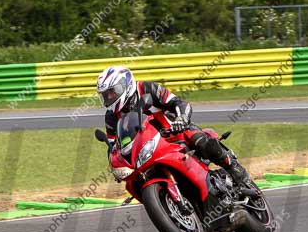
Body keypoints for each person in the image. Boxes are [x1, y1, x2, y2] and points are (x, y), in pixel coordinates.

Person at [97, 66, 253, 187]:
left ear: (125, 84)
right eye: (105, 95)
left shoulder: (147, 89)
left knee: (201, 142)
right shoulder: (111, 117)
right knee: (135, 182)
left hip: (175, 132)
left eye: (112, 92)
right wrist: (116, 165)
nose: (109, 97)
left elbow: (179, 103)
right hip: (148, 150)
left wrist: (182, 118)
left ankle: (234, 168)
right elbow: (113, 147)